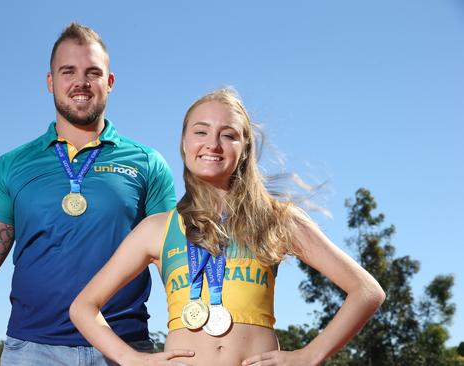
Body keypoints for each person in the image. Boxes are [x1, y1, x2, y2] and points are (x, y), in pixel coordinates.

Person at [0, 23, 177, 365]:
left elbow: (176, 266)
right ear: (50, 81)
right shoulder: (11, 166)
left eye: (93, 72)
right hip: (33, 352)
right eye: (67, 71)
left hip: (126, 350)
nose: (80, 82)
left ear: (110, 82)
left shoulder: (148, 163)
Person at [70, 88, 386, 365]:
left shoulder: (276, 219)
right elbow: (83, 306)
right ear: (183, 143)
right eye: (201, 132)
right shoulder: (156, 229)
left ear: (245, 147)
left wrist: (309, 355)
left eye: (229, 134)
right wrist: (131, 359)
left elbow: (367, 291)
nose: (214, 144)